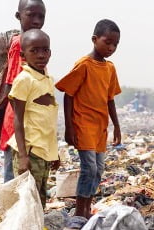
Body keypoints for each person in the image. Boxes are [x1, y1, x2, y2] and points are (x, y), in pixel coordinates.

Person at [55, 19, 122, 218]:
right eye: (107, 42)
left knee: (98, 169)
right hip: (83, 123)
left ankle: (87, 206)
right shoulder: (84, 65)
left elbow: (110, 99)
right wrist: (69, 127)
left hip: (100, 126)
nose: (111, 47)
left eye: (115, 44)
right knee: (89, 167)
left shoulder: (109, 68)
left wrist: (116, 126)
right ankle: (79, 211)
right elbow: (69, 94)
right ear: (94, 39)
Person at [7, 29, 59, 208]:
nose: (41, 55)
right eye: (34, 50)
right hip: (30, 151)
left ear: (50, 53)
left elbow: (47, 120)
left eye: (45, 50)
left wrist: (55, 152)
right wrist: (22, 156)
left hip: (44, 151)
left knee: (40, 197)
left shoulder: (48, 79)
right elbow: (17, 120)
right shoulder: (24, 79)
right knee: (27, 201)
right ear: (23, 55)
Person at [0, 0, 46, 183]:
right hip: (18, 121)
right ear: (19, 16)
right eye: (31, 15)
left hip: (30, 123)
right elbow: (12, 85)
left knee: (27, 176)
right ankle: (11, 212)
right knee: (15, 176)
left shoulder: (37, 44)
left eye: (40, 16)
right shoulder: (21, 44)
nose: (36, 20)